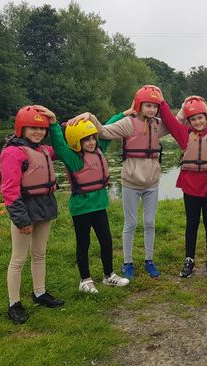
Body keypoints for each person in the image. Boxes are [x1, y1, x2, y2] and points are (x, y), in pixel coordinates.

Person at [88, 85, 169, 280]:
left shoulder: (158, 125)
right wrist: (90, 117)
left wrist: (184, 103)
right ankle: (128, 262)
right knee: (130, 223)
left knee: (150, 222)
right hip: (131, 182)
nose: (151, 110)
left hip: (152, 183)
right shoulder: (128, 123)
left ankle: (149, 260)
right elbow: (103, 132)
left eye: (154, 106)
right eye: (147, 105)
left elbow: (179, 122)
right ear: (139, 105)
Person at [0, 105, 64, 324]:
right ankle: (14, 304)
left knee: (40, 253)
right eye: (33, 128)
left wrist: (56, 123)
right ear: (21, 128)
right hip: (25, 208)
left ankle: (39, 293)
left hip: (44, 205)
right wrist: (21, 219)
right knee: (18, 258)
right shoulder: (13, 152)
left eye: (42, 128)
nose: (38, 132)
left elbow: (62, 146)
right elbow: (9, 190)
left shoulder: (43, 150)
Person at [50, 116, 129, 293]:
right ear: (76, 142)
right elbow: (60, 146)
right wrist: (54, 124)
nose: (92, 142)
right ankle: (85, 281)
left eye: (93, 138)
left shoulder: (99, 150)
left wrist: (124, 114)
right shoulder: (73, 159)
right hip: (81, 208)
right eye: (86, 139)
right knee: (83, 243)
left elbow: (106, 129)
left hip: (100, 206)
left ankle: (109, 275)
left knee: (106, 241)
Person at [158, 96, 207, 277]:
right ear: (189, 121)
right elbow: (170, 122)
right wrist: (161, 102)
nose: (197, 122)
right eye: (193, 119)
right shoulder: (184, 134)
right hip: (190, 187)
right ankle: (189, 259)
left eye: (200, 118)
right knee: (192, 224)